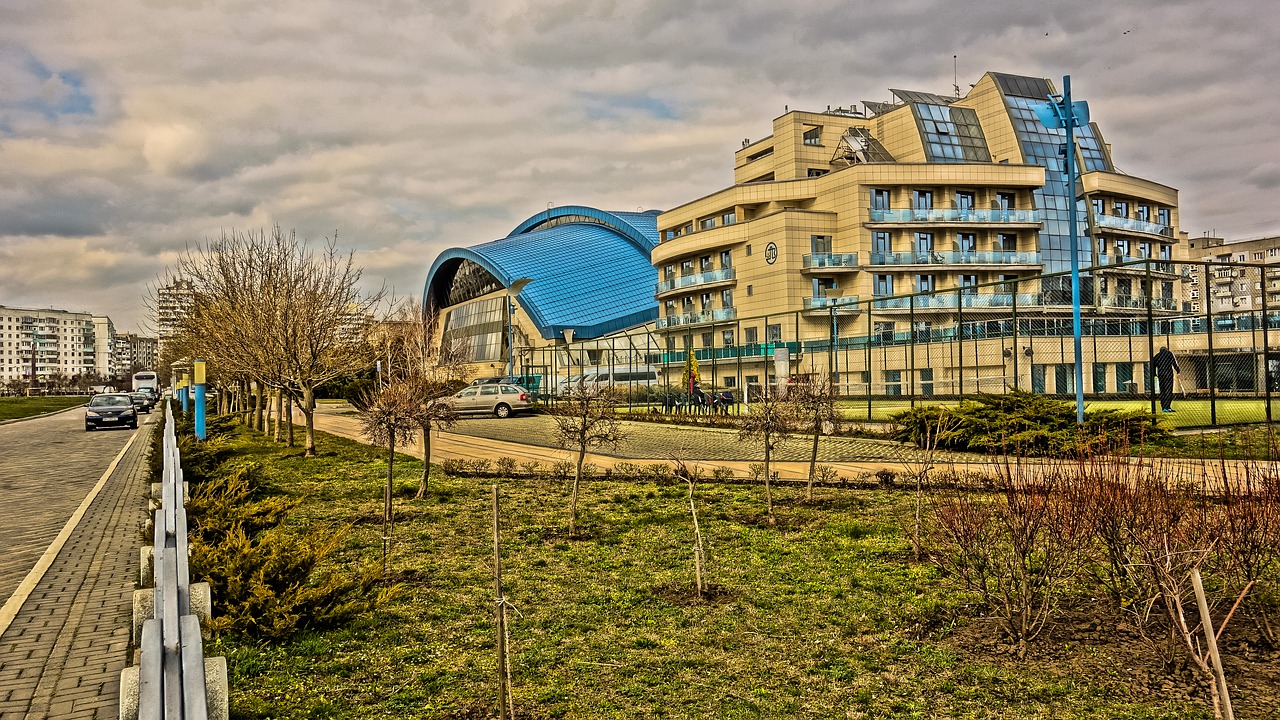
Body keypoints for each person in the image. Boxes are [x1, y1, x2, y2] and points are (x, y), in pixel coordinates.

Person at [1152, 346, 1180, 413]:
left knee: (1163, 390)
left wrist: (1154, 374)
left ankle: (1163, 407)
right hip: (1168, 374)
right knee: (1169, 390)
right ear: (1166, 350)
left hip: (1161, 375)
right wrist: (1178, 371)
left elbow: (1153, 365)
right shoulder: (1169, 354)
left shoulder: (1157, 356)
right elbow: (1174, 362)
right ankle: (1168, 407)